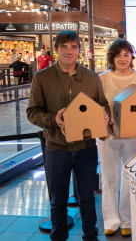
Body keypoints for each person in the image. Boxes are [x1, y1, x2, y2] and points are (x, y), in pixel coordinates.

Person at [26, 30, 111, 241]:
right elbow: (33, 112)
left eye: (73, 47)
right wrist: (54, 119)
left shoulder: (92, 78)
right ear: (56, 51)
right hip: (56, 148)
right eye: (63, 47)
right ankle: (59, 237)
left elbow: (103, 104)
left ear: (79, 51)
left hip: (86, 148)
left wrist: (105, 115)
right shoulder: (42, 78)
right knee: (58, 201)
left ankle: (91, 236)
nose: (69, 51)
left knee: (87, 198)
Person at [97, 39, 136, 237]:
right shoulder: (102, 78)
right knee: (109, 178)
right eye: (118, 55)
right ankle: (111, 220)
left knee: (130, 177)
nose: (122, 58)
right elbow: (96, 105)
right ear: (111, 58)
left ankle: (128, 219)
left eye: (126, 54)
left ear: (131, 57)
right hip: (108, 136)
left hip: (135, 136)